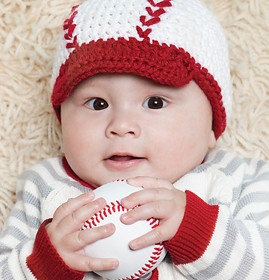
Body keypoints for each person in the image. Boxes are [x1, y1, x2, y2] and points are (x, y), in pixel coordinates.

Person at [0, 0, 269, 279]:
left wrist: (197, 230)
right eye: (97, 104)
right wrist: (46, 263)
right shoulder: (45, 185)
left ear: (212, 125)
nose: (122, 126)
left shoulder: (240, 180)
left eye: (154, 102)